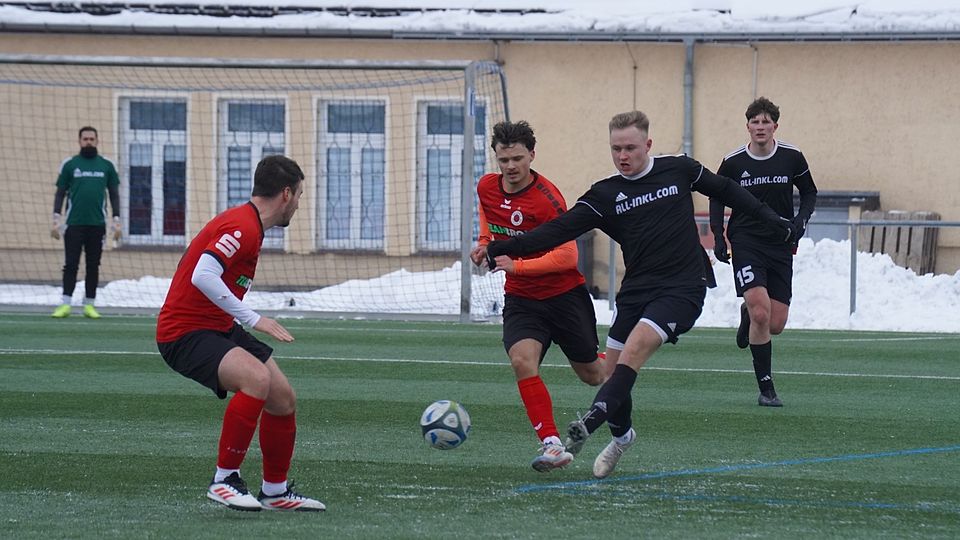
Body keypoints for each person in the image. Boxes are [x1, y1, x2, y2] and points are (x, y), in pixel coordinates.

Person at [485, 111, 796, 479]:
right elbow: (557, 231)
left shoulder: (678, 168)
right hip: (636, 290)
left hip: (684, 286)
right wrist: (504, 247)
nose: (623, 156)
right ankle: (622, 436)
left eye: (630, 147)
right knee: (610, 372)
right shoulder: (604, 195)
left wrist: (771, 218)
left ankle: (590, 422)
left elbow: (726, 190)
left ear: (647, 145)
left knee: (634, 350)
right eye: (616, 149)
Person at [156, 155, 324, 512]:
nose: (298, 203)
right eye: (299, 195)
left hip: (216, 326)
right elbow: (203, 275)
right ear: (285, 194)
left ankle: (275, 491)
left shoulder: (249, 225)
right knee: (257, 380)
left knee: (282, 398)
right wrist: (254, 318)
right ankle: (224, 480)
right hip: (184, 332)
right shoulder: (243, 226)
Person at [470, 121, 612, 473]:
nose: (510, 167)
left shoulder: (548, 198)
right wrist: (485, 246)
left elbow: (568, 256)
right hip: (521, 300)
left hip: (564, 296)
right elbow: (489, 222)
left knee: (593, 375)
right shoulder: (486, 187)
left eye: (517, 158)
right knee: (521, 361)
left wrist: (515, 265)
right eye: (503, 160)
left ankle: (622, 358)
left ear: (532, 155)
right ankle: (551, 444)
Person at [710, 97, 818, 407]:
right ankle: (766, 389)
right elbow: (717, 197)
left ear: (775, 126)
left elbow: (809, 191)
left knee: (774, 323)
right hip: (746, 241)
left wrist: (800, 221)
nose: (760, 127)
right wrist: (719, 236)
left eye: (765, 122)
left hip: (780, 242)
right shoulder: (733, 162)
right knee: (761, 310)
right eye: (755, 122)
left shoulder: (791, 157)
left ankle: (748, 315)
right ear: (747, 126)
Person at [50, 126, 122, 319]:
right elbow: (60, 193)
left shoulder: (107, 165)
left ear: (97, 141)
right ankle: (65, 304)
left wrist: (117, 221)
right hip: (74, 225)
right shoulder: (70, 165)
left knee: (93, 265)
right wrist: (56, 219)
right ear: (79, 141)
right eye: (85, 139)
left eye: (92, 139)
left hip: (97, 225)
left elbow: (114, 195)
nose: (88, 142)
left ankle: (89, 304)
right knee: (71, 264)